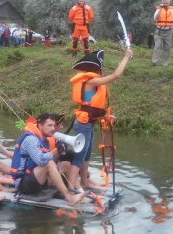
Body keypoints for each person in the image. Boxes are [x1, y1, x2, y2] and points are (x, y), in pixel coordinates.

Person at [67, 48, 132, 192]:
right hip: (83, 124)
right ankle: (71, 188)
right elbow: (116, 75)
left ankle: (84, 181)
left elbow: (91, 105)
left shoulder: (91, 82)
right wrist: (126, 57)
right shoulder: (92, 81)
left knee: (87, 155)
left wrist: (105, 116)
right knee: (80, 156)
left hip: (87, 123)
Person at [10, 113, 88, 206]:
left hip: (38, 178)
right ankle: (69, 198)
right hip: (23, 183)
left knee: (66, 164)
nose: (53, 128)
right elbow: (40, 160)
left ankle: (78, 192)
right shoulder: (31, 139)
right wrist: (55, 150)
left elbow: (52, 163)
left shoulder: (45, 140)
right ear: (40, 126)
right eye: (49, 125)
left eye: (54, 125)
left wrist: (59, 150)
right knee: (49, 164)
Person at [151, 0, 173, 67]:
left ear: (169, 4)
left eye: (166, 3)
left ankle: (165, 64)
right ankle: (154, 62)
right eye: (164, 3)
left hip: (169, 31)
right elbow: (156, 18)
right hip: (159, 31)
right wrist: (160, 9)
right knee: (157, 47)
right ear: (162, 3)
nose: (165, 4)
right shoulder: (158, 10)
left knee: (167, 48)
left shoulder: (172, 11)